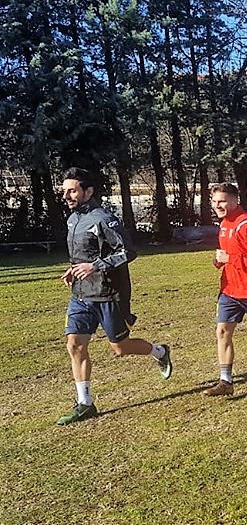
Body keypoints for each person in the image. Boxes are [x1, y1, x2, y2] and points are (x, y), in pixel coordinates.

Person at [57, 167, 172, 425]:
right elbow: (83, 254)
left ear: (88, 191)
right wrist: (74, 269)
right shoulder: (73, 219)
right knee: (74, 345)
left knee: (120, 348)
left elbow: (128, 252)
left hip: (108, 294)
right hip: (81, 295)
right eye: (64, 191)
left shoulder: (103, 219)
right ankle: (85, 403)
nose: (67, 196)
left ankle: (159, 351)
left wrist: (94, 266)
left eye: (72, 190)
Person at [204, 183, 247, 397]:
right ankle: (226, 381)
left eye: (221, 201)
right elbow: (229, 253)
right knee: (222, 332)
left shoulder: (246, 223)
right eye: (214, 202)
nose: (217, 205)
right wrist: (220, 262)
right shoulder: (225, 223)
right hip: (230, 289)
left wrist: (230, 259)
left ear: (234, 200)